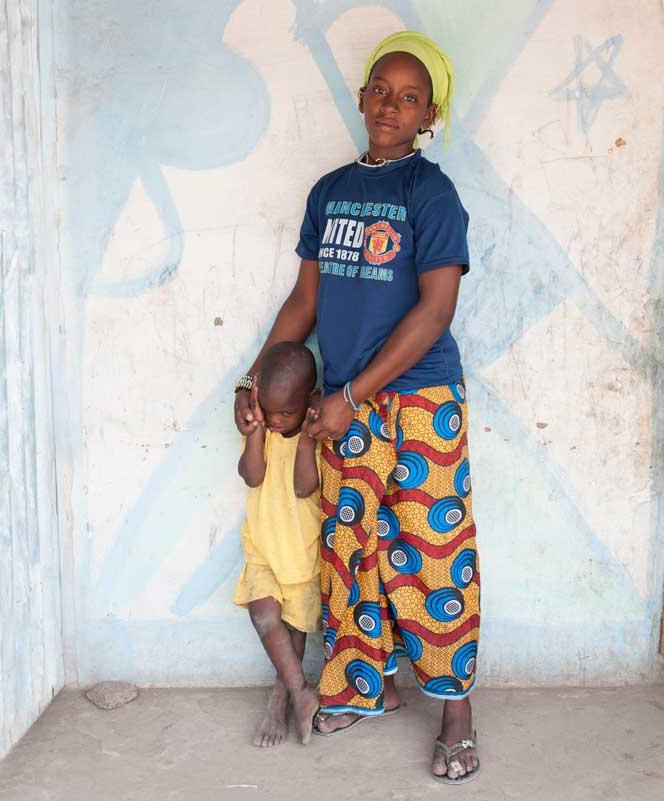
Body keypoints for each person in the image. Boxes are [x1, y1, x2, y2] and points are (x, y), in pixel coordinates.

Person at [233, 31, 481, 783]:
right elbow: (307, 298)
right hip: (339, 405)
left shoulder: (430, 194)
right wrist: (254, 380)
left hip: (417, 400)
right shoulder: (331, 190)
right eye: (380, 89)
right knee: (353, 552)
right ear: (362, 94)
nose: (389, 106)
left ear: (428, 112)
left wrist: (348, 394)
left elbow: (434, 311)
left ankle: (457, 712)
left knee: (432, 554)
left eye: (409, 97)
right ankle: (360, 687)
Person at [233, 342, 323, 747]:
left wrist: (304, 439)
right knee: (264, 614)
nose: (275, 420)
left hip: (302, 554)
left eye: (286, 413)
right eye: (267, 410)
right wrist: (255, 435)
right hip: (263, 546)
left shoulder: (315, 435)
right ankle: (301, 693)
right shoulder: (264, 429)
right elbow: (252, 477)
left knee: (294, 630)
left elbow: (305, 487)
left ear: (310, 402)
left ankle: (283, 696)